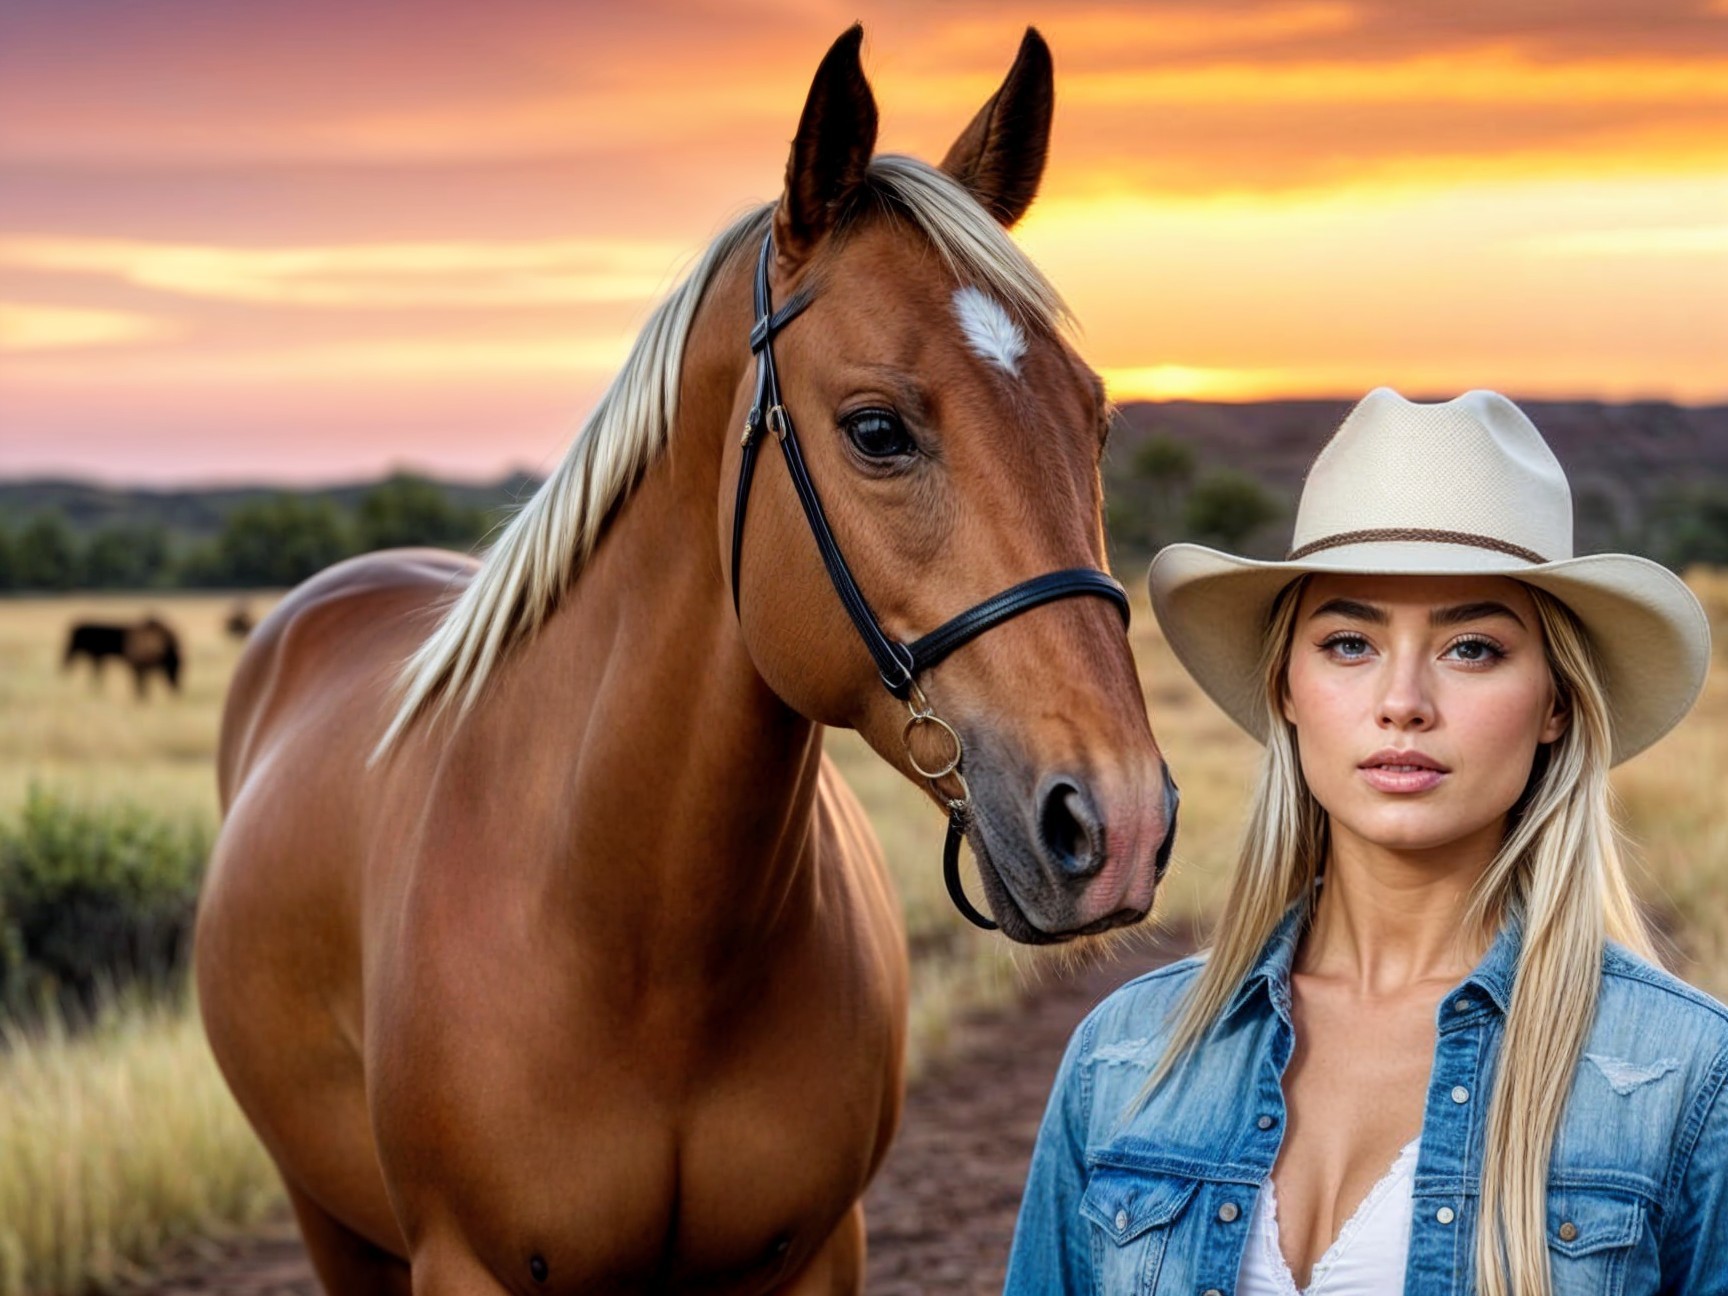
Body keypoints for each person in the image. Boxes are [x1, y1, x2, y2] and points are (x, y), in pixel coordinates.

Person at [1003, 388, 1725, 1295]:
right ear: (1287, 691)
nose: (1403, 701)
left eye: (1473, 648)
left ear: (1556, 704)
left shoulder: (1681, 1081)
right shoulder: (1126, 1058)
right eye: (1350, 642)